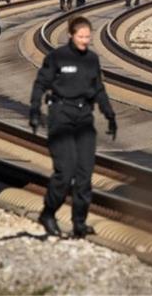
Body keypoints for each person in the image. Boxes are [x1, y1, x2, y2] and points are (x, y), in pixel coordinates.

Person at [29, 16, 118, 238]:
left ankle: (79, 223)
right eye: (81, 36)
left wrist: (109, 114)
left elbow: (98, 89)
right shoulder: (57, 57)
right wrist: (34, 110)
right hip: (61, 116)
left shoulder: (92, 60)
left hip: (84, 117)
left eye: (88, 37)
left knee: (85, 174)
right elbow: (40, 83)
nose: (85, 41)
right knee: (65, 171)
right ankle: (48, 213)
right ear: (71, 35)